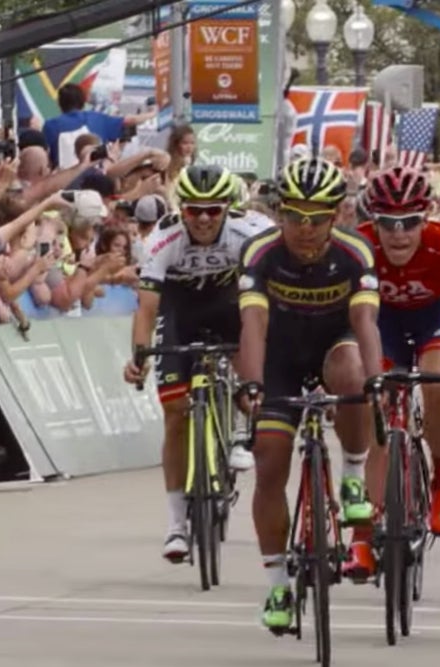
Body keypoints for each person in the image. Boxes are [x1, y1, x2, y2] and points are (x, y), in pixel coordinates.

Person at [234, 157, 383, 633]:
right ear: (280, 213)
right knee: (270, 459)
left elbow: (364, 322)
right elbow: (253, 324)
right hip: (278, 355)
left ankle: (353, 475)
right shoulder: (261, 253)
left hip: (333, 344)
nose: (304, 227)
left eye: (316, 218)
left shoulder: (355, 252)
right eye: (294, 214)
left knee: (353, 370)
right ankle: (278, 583)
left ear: (336, 214)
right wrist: (252, 383)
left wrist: (376, 381)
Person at [121, 165, 272, 562]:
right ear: (181, 209)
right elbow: (147, 308)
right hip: (180, 308)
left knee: (253, 373)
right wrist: (139, 357)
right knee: (174, 414)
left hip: (229, 302)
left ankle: (241, 432)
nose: (203, 218)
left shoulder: (251, 231)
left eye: (213, 210)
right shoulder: (162, 239)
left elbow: (266, 299)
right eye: (194, 210)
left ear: (228, 208)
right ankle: (175, 525)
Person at [350, 166, 440, 578]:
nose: (398, 234)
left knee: (439, 377)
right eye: (387, 223)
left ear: (425, 217)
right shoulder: (359, 247)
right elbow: (350, 320)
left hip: (435, 322)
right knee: (376, 413)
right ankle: (362, 534)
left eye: (409, 222)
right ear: (373, 221)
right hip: (382, 326)